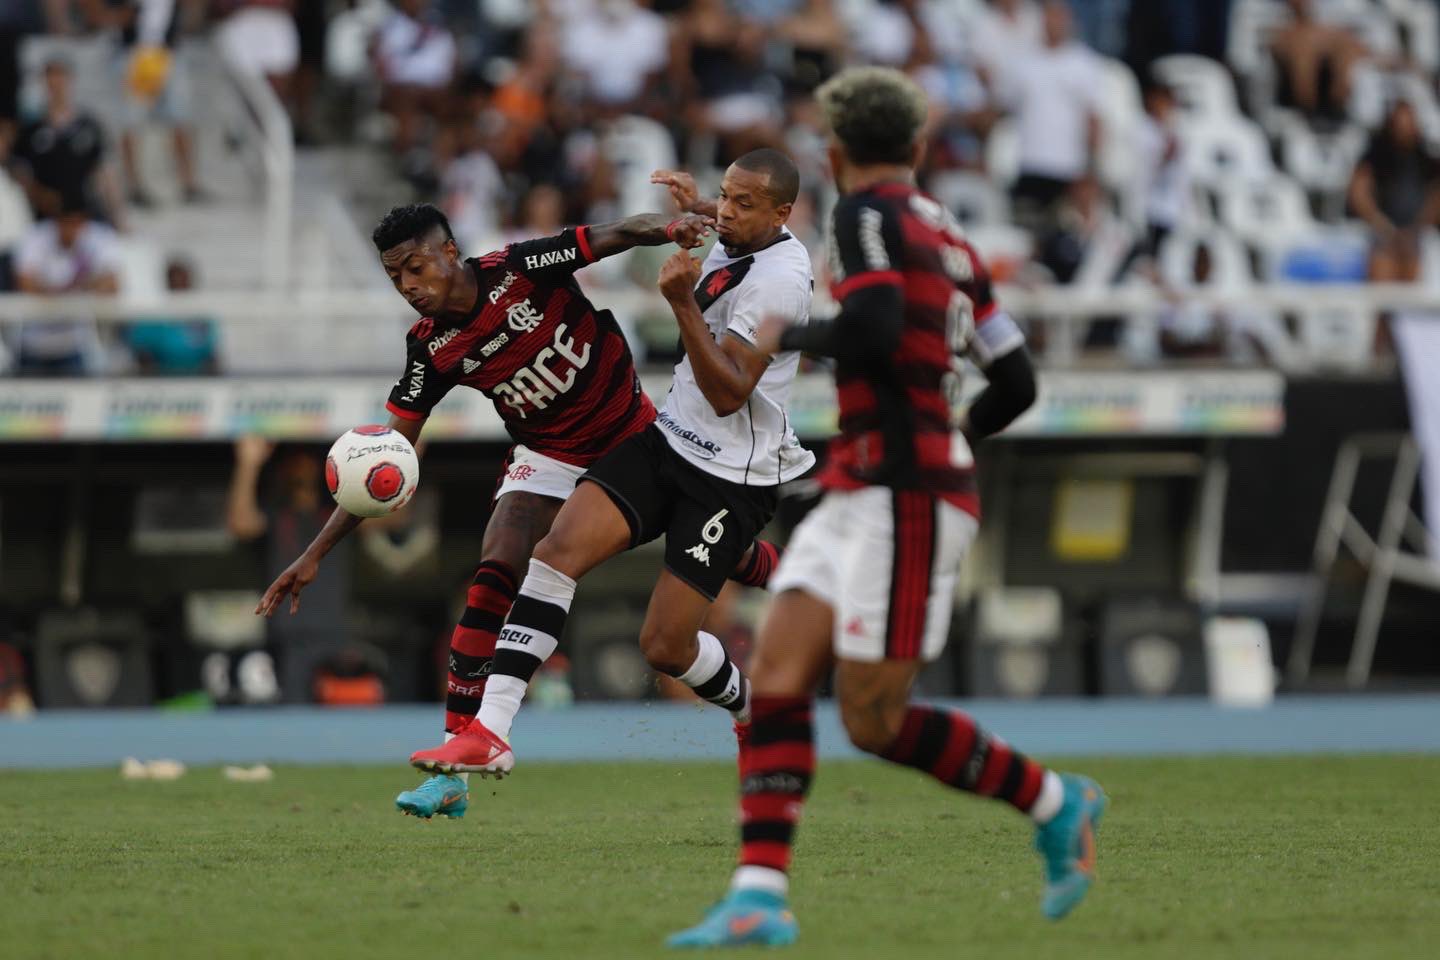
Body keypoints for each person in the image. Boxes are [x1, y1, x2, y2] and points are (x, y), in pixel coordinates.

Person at [667, 67, 1106, 949]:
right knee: (781, 675)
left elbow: (867, 330)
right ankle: (758, 895)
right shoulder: (953, 241)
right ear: (916, 147)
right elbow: (1015, 380)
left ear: (833, 153)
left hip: (904, 495)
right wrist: (958, 437)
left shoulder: (863, 217)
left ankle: (1056, 801)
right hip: (866, 483)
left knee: (873, 721)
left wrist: (777, 330)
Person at [255, 200, 784, 818]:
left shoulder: (522, 269)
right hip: (551, 456)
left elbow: (616, 233)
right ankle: (458, 760)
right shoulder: (430, 348)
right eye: (396, 277)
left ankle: (778, 570)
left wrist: (669, 228)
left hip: (637, 441)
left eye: (416, 267)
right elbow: (384, 463)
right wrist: (315, 553)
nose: (409, 286)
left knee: (723, 556)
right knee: (496, 569)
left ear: (450, 251)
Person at [406, 148, 814, 779]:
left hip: (730, 477)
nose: (726, 213)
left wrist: (680, 301)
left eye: (742, 204)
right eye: (725, 197)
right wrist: (698, 205)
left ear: (782, 213)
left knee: (664, 647)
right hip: (666, 439)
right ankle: (491, 732)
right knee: (553, 554)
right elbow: (734, 224)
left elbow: (730, 392)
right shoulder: (748, 233)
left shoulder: (780, 282)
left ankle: (755, 710)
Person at [9, 58, 126, 229]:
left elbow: (103, 172)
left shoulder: (88, 125)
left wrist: (116, 215)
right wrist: (38, 194)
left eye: (60, 76)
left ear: (70, 80)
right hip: (46, 216)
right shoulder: (32, 128)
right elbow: (17, 169)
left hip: (83, 213)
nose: (56, 83)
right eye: (51, 77)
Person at [11, 200, 120, 375]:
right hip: (34, 344)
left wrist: (68, 289)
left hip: (73, 345)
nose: (72, 231)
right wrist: (73, 289)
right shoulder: (37, 237)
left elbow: (112, 284)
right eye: (67, 223)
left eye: (77, 224)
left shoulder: (95, 238)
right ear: (57, 222)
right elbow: (25, 283)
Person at [1348, 98, 1440, 283]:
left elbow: (1436, 196)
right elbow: (1358, 192)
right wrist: (1380, 224)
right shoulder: (1376, 154)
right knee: (1383, 259)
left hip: (1417, 232)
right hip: (1382, 230)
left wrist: (1418, 227)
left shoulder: (1425, 157)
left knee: (1415, 253)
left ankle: (1413, 309)